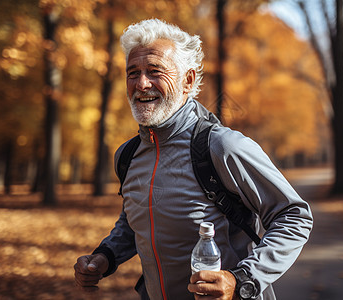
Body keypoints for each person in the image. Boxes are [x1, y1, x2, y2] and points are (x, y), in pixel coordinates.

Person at [74, 18, 313, 300]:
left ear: (187, 81)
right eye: (132, 72)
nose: (141, 83)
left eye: (154, 71)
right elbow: (136, 219)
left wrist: (243, 279)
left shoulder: (222, 146)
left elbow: (294, 216)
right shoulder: (127, 155)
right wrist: (106, 256)